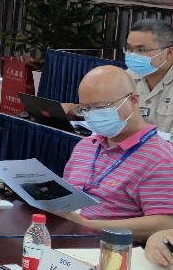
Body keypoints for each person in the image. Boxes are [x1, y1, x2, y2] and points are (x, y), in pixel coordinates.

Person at [56, 65, 173, 243]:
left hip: (108, 249)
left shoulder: (160, 158)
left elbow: (165, 223)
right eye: (85, 109)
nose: (92, 115)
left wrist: (88, 225)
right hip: (64, 238)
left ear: (133, 101)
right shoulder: (85, 146)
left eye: (100, 107)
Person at [124, 18, 173, 135]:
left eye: (141, 50)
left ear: (169, 53)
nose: (132, 55)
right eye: (129, 49)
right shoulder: (124, 79)